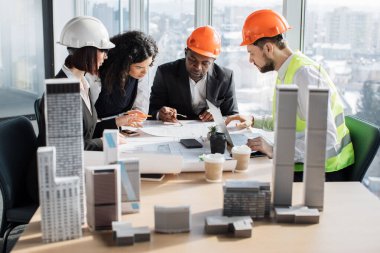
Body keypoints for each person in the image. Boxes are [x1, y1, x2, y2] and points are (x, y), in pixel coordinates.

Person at [225, 9, 354, 181]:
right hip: (303, 164)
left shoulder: (304, 75)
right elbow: (288, 122)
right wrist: (254, 120)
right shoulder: (287, 72)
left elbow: (327, 138)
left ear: (268, 48)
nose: (250, 60)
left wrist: (274, 150)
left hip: (324, 172)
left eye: (251, 52)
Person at [37, 16, 123, 151]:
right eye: (103, 50)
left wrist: (118, 122)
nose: (106, 56)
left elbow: (86, 131)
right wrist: (106, 141)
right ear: (88, 51)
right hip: (58, 169)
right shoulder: (60, 92)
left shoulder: (83, 83)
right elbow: (66, 148)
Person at [149, 25, 238, 122]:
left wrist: (217, 115)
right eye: (192, 59)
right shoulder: (165, 73)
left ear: (213, 60)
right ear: (186, 53)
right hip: (175, 131)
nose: (198, 67)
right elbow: (152, 111)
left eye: (205, 63)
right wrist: (160, 114)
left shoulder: (225, 77)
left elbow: (233, 116)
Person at [92, 31, 159, 138]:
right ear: (123, 64)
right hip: (98, 134)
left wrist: (128, 119)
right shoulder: (96, 76)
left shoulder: (139, 76)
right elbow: (88, 124)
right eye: (139, 67)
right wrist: (120, 121)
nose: (145, 72)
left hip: (122, 130)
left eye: (149, 65)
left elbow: (140, 112)